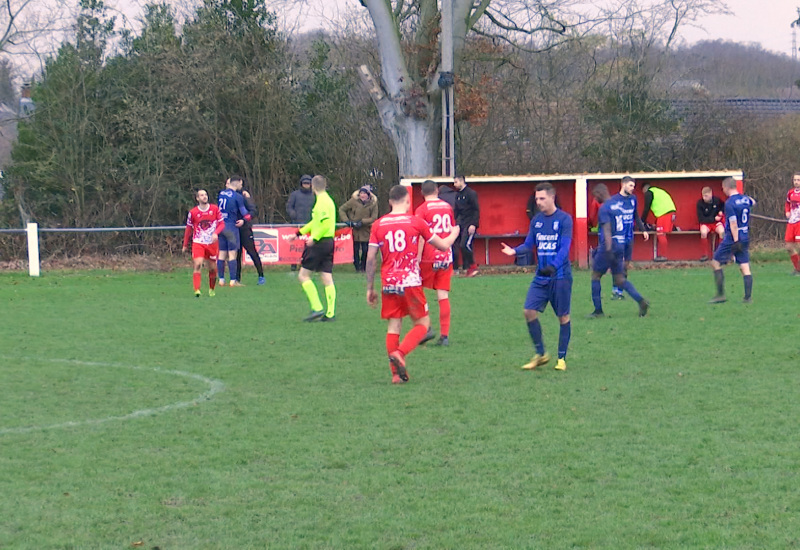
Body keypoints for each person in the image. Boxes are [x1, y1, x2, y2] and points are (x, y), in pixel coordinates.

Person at [366, 184, 460, 384]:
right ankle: (400, 353)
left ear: (390, 202)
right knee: (423, 324)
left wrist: (370, 288)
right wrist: (454, 233)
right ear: (408, 202)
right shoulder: (416, 222)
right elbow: (443, 246)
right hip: (410, 281)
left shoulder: (378, 225)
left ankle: (395, 375)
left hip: (389, 282)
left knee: (394, 326)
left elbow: (371, 258)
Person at [500, 182, 572, 372]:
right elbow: (528, 244)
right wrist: (514, 251)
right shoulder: (537, 221)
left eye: (542, 198)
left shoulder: (565, 220)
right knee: (528, 311)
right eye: (536, 199)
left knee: (563, 317)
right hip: (541, 277)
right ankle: (541, 354)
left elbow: (565, 248)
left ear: (551, 197)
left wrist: (553, 266)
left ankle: (562, 358)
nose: (538, 202)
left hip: (560, 276)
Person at [587, 183, 650, 318]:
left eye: (595, 197)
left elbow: (607, 230)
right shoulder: (618, 206)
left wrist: (607, 250)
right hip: (620, 245)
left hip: (608, 247)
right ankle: (641, 300)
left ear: (599, 194)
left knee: (595, 276)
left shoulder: (604, 208)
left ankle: (598, 311)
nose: (595, 199)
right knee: (620, 279)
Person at [286, 175, 337, 321]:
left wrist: (314, 238)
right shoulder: (328, 200)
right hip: (328, 241)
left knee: (303, 275)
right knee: (326, 277)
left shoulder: (322, 202)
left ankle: (317, 307)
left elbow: (325, 223)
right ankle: (330, 313)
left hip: (319, 243)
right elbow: (316, 222)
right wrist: (298, 233)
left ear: (313, 187)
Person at [415, 179, 456, 346]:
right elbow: (452, 229)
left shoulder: (422, 210)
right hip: (446, 255)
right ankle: (444, 336)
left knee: (416, 289)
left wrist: (417, 258)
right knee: (443, 295)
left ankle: (427, 328)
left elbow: (421, 236)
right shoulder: (447, 207)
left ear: (422, 193)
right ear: (437, 191)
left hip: (429, 255)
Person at [709, 177, 756, 304]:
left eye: (723, 188)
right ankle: (748, 298)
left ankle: (720, 295)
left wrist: (736, 241)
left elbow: (733, 223)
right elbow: (753, 202)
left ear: (727, 187)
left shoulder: (729, 203)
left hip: (733, 237)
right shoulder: (745, 199)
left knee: (715, 262)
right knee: (744, 266)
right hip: (745, 234)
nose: (722, 190)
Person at [612, 176, 649, 299]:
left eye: (633, 186)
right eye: (630, 185)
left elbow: (636, 216)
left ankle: (620, 290)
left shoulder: (633, 199)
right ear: (622, 184)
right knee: (619, 263)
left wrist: (643, 230)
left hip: (629, 236)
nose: (632, 188)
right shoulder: (614, 200)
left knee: (626, 264)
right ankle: (616, 290)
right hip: (618, 237)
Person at [182, 189, 224, 297]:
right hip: (198, 242)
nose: (204, 197)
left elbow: (222, 224)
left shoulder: (214, 209)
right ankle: (197, 290)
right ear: (197, 198)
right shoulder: (193, 212)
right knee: (198, 264)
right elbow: (188, 228)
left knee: (213, 268)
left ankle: (211, 289)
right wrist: (185, 244)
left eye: (205, 194)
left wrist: (216, 233)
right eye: (202, 195)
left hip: (211, 243)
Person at [216, 175, 251, 286]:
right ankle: (233, 280)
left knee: (221, 254)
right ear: (238, 183)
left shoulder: (221, 194)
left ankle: (221, 279)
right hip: (231, 227)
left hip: (221, 226)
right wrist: (246, 219)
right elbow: (245, 213)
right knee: (232, 254)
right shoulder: (237, 196)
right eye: (241, 184)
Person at [339, 185, 378, 272]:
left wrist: (363, 222)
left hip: (366, 230)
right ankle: (357, 267)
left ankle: (363, 267)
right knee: (355, 250)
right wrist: (347, 221)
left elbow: (374, 217)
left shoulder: (373, 204)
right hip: (354, 229)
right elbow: (342, 209)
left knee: (365, 250)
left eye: (364, 193)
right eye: (361, 193)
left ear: (368, 195)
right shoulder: (353, 201)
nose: (362, 195)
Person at [236, 187, 266, 285]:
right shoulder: (226, 198)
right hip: (234, 230)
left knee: (252, 252)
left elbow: (253, 212)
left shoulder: (244, 196)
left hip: (245, 230)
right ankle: (236, 279)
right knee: (236, 255)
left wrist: (244, 221)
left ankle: (261, 276)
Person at [641, 183, 676, 262]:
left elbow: (647, 208)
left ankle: (664, 256)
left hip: (664, 214)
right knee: (662, 233)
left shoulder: (649, 192)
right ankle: (663, 255)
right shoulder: (658, 191)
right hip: (671, 213)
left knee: (660, 234)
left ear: (644, 189)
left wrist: (642, 221)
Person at [286, 174, 315, 271]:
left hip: (311, 224)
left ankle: (308, 264)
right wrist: (293, 215)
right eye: (304, 183)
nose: (306, 185)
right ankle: (293, 265)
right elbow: (289, 207)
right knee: (295, 245)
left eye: (308, 183)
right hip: (296, 224)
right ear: (301, 184)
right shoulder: (295, 194)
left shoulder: (314, 195)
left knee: (309, 246)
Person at [453, 175, 480, 277]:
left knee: (465, 245)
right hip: (461, 224)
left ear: (461, 181)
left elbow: (476, 210)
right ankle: (469, 268)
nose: (454, 184)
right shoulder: (457, 195)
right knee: (460, 245)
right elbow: (456, 211)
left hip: (470, 224)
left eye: (456, 182)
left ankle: (473, 267)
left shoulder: (471, 193)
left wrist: (473, 224)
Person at [696, 186, 726, 261]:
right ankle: (704, 255)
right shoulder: (700, 203)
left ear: (711, 194)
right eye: (703, 196)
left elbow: (724, 206)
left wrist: (721, 212)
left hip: (716, 223)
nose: (704, 198)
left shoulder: (717, 200)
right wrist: (713, 219)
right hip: (706, 223)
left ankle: (720, 254)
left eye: (706, 196)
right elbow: (701, 219)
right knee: (703, 232)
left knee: (722, 232)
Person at [785, 172, 800, 275]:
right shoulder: (790, 192)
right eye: (795, 180)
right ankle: (797, 268)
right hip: (791, 223)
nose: (796, 182)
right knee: (789, 247)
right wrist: (787, 211)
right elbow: (787, 203)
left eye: (798, 180)